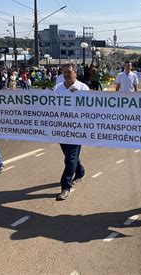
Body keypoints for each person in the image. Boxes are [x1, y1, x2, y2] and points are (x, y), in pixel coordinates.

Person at [54, 63, 89, 200]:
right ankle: (80, 171)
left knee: (70, 158)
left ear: (75, 73)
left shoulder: (83, 88)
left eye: (69, 72)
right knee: (69, 154)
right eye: (64, 72)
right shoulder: (58, 88)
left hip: (77, 128)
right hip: (62, 127)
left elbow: (90, 107)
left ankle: (65, 186)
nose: (67, 75)